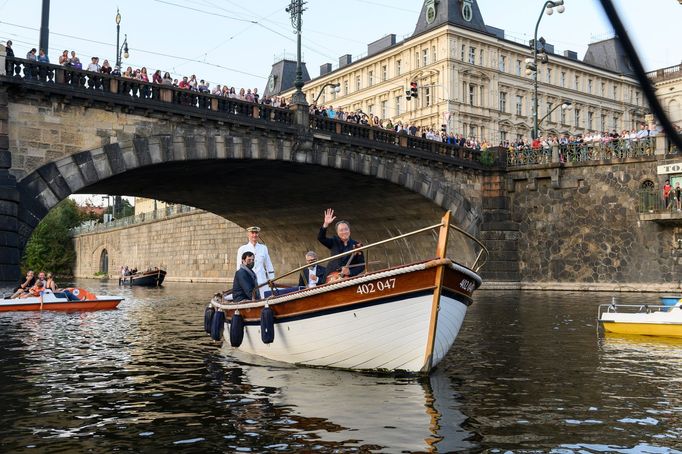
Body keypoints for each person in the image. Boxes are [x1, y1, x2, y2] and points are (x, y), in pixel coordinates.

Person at [318, 208, 365, 280]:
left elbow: (362, 265)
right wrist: (326, 224)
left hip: (346, 279)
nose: (344, 232)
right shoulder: (333, 241)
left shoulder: (357, 245)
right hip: (330, 277)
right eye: (341, 230)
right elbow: (321, 238)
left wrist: (350, 272)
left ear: (349, 231)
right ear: (337, 232)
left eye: (346, 229)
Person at [236, 226, 275, 298]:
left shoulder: (263, 248)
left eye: (256, 233)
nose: (254, 235)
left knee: (265, 300)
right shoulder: (242, 249)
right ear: (248, 234)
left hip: (262, 281)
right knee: (253, 300)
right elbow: (239, 268)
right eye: (252, 233)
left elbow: (268, 264)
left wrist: (271, 279)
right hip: (249, 283)